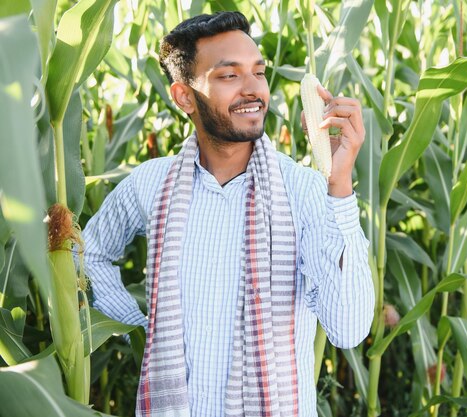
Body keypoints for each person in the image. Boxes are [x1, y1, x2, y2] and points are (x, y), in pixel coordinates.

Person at [83, 11, 374, 417]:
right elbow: (90, 252)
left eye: (258, 72)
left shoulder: (305, 190)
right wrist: (138, 327)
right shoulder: (151, 184)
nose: (253, 90)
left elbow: (348, 329)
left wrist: (339, 185)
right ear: (184, 96)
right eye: (229, 76)